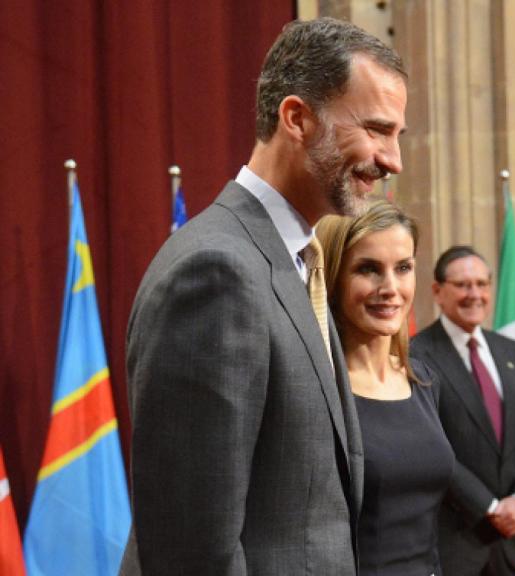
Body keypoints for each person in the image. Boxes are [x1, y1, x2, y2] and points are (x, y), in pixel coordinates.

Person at [120, 18, 406, 575]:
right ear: (297, 118)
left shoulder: (301, 261)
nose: (392, 160)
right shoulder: (215, 272)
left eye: (397, 135)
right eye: (376, 130)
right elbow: (191, 550)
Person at [317, 202, 455, 576]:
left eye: (403, 268)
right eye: (368, 269)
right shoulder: (316, 388)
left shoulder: (424, 380)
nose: (390, 289)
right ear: (332, 276)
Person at [410, 246, 515, 576]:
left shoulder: (510, 350)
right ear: (437, 291)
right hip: (456, 538)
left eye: (482, 284)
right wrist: (489, 507)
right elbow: (430, 444)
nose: (475, 294)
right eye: (462, 285)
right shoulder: (415, 355)